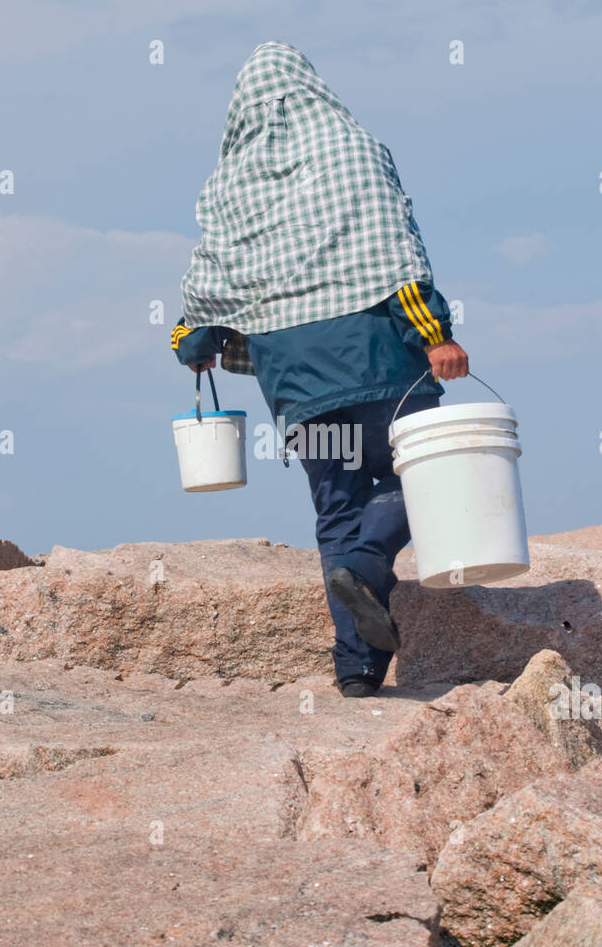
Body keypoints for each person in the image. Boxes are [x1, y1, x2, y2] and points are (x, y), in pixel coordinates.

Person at [172, 42, 468, 697]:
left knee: (337, 512)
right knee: (423, 477)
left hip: (298, 386)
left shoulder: (227, 187)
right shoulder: (352, 149)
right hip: (381, 361)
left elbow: (198, 310)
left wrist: (195, 345)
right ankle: (367, 568)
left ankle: (356, 672)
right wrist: (436, 334)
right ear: (312, 87)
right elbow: (395, 255)